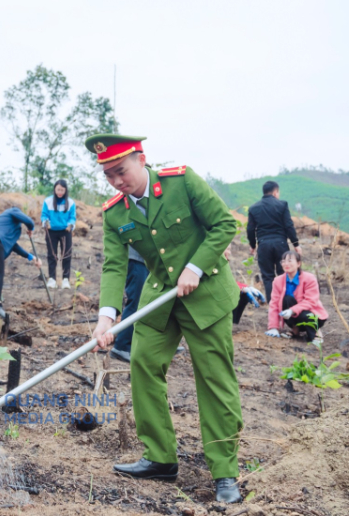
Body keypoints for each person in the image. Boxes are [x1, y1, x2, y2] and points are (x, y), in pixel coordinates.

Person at [87, 134, 243, 504]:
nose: (116, 181)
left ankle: (224, 471)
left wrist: (195, 267)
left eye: (120, 171)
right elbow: (114, 265)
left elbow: (224, 225)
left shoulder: (181, 181)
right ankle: (160, 457)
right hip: (160, 296)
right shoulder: (115, 212)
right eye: (108, 176)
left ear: (141, 159)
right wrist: (106, 317)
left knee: (213, 377)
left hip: (205, 294)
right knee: (143, 362)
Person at [0, 207, 42, 317]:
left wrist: (31, 257)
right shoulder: (13, 211)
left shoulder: (8, 225)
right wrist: (31, 228)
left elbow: (13, 245)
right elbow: (29, 221)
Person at [247, 181, 301, 301]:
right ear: (276, 192)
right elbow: (289, 226)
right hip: (280, 244)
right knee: (284, 274)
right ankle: (286, 303)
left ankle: (273, 306)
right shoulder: (282, 205)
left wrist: (252, 245)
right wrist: (296, 244)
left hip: (263, 245)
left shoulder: (254, 208)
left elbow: (250, 229)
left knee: (268, 277)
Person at [267, 250, 328, 344]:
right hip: (296, 317)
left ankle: (316, 332)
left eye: (290, 261)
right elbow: (274, 303)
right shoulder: (278, 281)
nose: (286, 264)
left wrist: (292, 310)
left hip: (313, 316)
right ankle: (295, 329)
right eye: (283, 261)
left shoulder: (309, 278)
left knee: (305, 314)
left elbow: (311, 301)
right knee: (286, 299)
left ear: (298, 263)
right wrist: (273, 327)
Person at [109, 245, 150, 362]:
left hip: (145, 259)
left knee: (145, 302)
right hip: (137, 258)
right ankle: (122, 346)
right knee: (136, 301)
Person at [41, 179, 77, 289]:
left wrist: (70, 224)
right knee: (52, 255)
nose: (60, 192)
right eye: (58, 189)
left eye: (62, 190)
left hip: (65, 232)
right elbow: (44, 215)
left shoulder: (70, 203)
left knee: (66, 255)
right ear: (54, 189)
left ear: (65, 190)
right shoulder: (48, 201)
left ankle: (65, 279)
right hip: (51, 231)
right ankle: (52, 279)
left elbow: (72, 217)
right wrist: (46, 222)